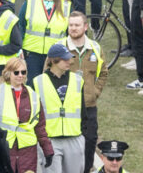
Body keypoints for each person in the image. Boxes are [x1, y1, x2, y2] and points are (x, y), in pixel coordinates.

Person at [58, 10, 108, 172]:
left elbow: (103, 72)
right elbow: (48, 73)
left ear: (85, 27)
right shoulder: (59, 47)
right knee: (69, 142)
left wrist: (95, 91)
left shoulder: (95, 47)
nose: (73, 28)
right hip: (66, 106)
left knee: (90, 140)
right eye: (71, 25)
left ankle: (86, 170)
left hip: (89, 104)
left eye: (77, 25)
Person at [0, 57, 53, 173]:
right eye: (16, 72)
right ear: (8, 73)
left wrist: (48, 150)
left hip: (28, 152)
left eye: (23, 72)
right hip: (5, 149)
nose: (20, 75)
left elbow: (40, 126)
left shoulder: (33, 96)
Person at [33, 43, 85, 173]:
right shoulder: (37, 82)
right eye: (64, 59)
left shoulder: (77, 80)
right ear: (53, 60)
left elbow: (84, 110)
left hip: (74, 138)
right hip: (50, 141)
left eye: (69, 58)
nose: (69, 61)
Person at [19, 0, 70, 83]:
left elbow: (69, 32)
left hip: (55, 55)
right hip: (32, 53)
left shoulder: (66, 5)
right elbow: (20, 26)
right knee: (31, 86)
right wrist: (19, 48)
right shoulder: (31, 1)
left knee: (50, 87)